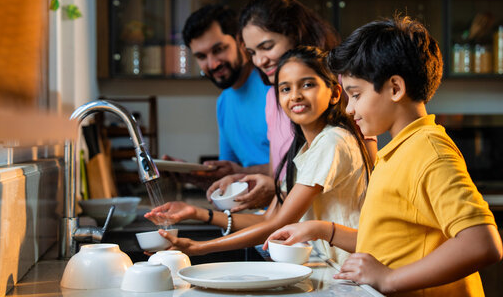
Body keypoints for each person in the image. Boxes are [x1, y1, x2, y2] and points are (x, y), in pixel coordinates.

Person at [264, 17, 503, 296]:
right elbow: (390, 243)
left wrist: (389, 278)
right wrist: (322, 230)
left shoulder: (430, 152)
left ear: (395, 89)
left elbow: (482, 243)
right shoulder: (397, 150)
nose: (350, 109)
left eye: (355, 95)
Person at [146, 46, 371, 263]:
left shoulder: (333, 141)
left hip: (352, 272)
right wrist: (195, 212)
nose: (295, 96)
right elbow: (268, 218)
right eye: (285, 88)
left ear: (334, 93)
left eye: (308, 84)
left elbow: (278, 224)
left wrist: (199, 247)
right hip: (337, 267)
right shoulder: (307, 148)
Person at [206, 0, 377, 211]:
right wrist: (243, 178)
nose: (260, 60)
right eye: (252, 52)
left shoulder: (344, 86)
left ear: (294, 34)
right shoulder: (272, 97)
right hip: (290, 235)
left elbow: (365, 171)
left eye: (267, 47)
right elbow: (282, 171)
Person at [167, 4, 270, 189]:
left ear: (241, 41)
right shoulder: (224, 102)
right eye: (201, 56)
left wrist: (239, 173)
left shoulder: (275, 86)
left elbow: (302, 167)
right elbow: (228, 175)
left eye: (219, 49)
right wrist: (193, 176)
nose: (212, 64)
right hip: (255, 211)